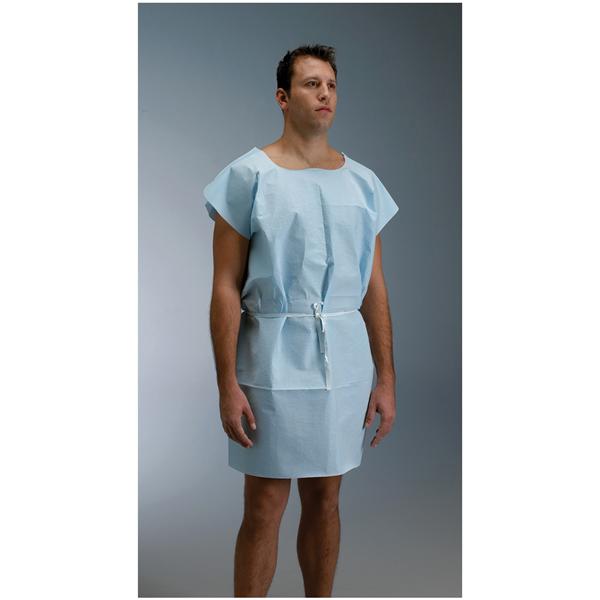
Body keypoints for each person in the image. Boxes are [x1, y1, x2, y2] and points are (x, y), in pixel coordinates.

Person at [204, 44, 399, 597]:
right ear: (283, 97)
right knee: (265, 502)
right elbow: (224, 287)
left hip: (343, 361)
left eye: (331, 85)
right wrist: (226, 384)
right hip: (270, 354)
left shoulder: (363, 183)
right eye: (312, 84)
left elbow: (373, 287)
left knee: (326, 497)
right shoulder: (248, 176)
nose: (325, 94)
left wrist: (386, 377)